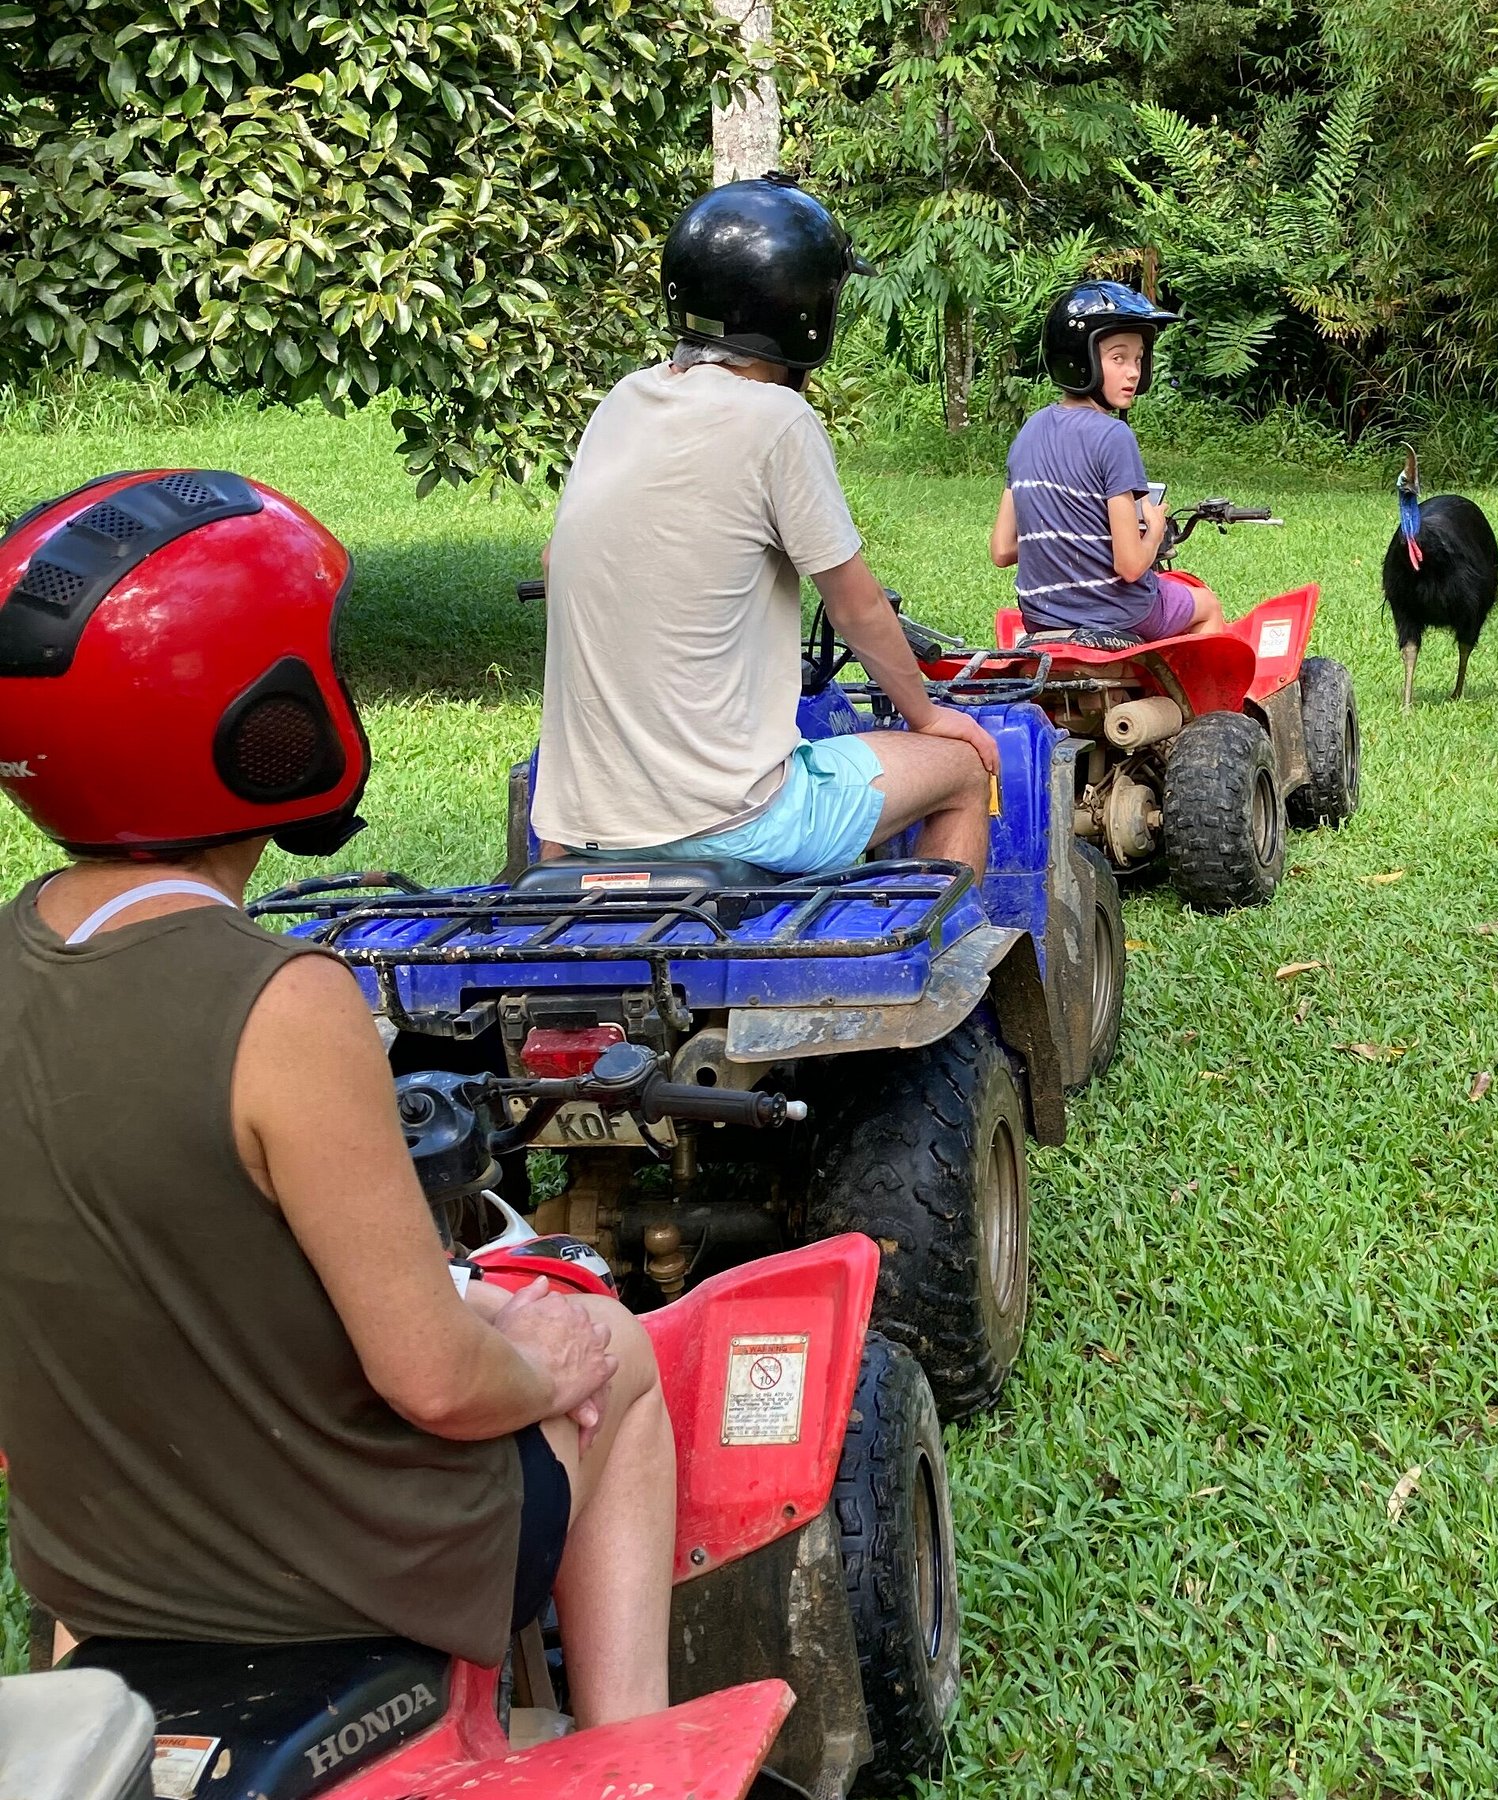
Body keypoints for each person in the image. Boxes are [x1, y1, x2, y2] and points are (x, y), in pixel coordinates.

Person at [0, 473, 671, 1721]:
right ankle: (625, 1751)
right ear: (257, 716)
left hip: (102, 1575)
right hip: (334, 1579)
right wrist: (546, 1357)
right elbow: (435, 1381)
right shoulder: (282, 1004)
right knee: (614, 1348)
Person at [535, 175, 998, 880]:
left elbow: (554, 560)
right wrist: (930, 717)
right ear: (803, 313)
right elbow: (855, 605)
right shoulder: (778, 419)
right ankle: (929, 975)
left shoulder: (622, 402)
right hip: (737, 822)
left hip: (576, 829)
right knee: (962, 767)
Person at [989, 281, 1226, 643]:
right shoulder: (1113, 436)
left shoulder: (1029, 431)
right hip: (1120, 613)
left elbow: (1002, 550)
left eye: (1138, 358)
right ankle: (1201, 702)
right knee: (1206, 604)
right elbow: (1130, 566)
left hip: (1040, 618)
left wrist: (1064, 534)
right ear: (1080, 360)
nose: (1132, 371)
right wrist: (1156, 528)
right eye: (1118, 358)